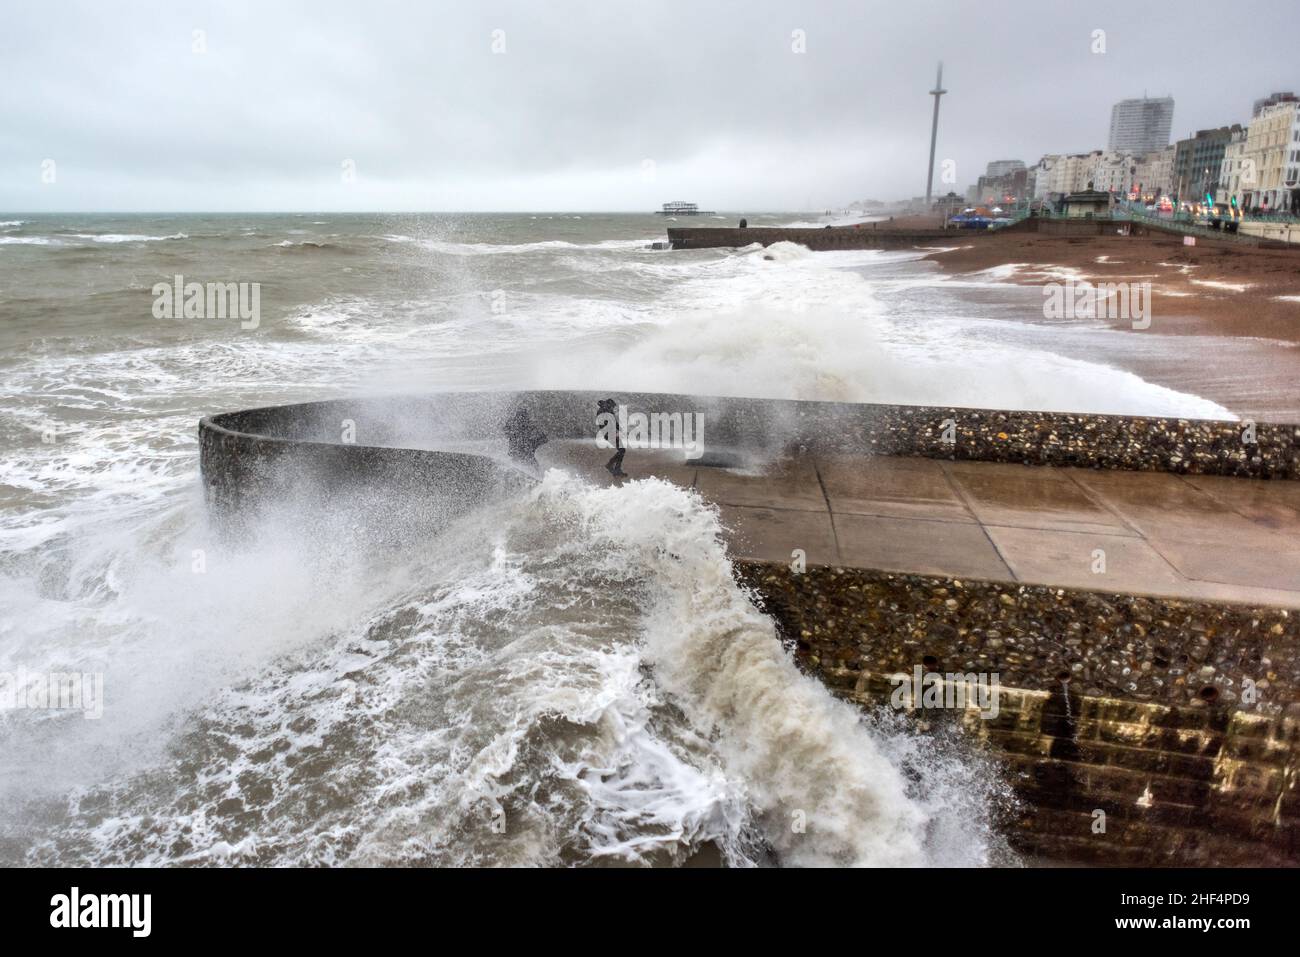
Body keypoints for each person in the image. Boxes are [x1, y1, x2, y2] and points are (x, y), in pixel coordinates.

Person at [502, 407, 547, 471]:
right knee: (532, 465)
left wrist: (534, 442)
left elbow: (543, 439)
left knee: (527, 465)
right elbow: (543, 439)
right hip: (524, 453)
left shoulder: (516, 426)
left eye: (522, 416)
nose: (521, 419)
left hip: (523, 453)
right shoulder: (527, 426)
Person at [596, 398, 627, 477]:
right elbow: (605, 423)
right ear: (610, 405)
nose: (613, 408)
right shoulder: (604, 410)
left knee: (622, 450)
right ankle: (612, 466)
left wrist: (620, 430)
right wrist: (614, 432)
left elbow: (613, 422)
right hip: (609, 434)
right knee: (622, 450)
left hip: (610, 433)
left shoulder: (606, 410)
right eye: (613, 406)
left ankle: (615, 467)